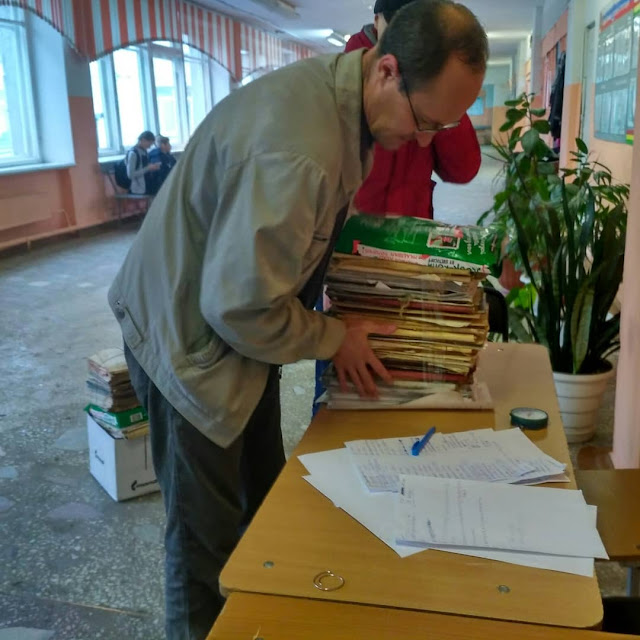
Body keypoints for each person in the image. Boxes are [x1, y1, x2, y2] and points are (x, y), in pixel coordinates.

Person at [108, 2, 487, 637]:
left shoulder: (349, 101)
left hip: (238, 334)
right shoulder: (300, 151)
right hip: (188, 343)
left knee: (262, 507)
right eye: (425, 122)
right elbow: (238, 306)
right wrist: (334, 337)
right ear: (387, 70)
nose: (425, 142)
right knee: (204, 547)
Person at [347, 0, 482, 219]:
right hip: (353, 232)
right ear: (377, 21)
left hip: (411, 228)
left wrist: (443, 103)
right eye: (399, 26)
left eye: (421, 31)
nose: (409, 41)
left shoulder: (434, 77)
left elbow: (463, 168)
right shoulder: (343, 88)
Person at [126, 130, 160, 195]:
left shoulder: (144, 151)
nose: (149, 147)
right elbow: (130, 175)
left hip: (147, 183)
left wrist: (152, 167)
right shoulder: (133, 154)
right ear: (143, 140)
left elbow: (144, 168)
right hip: (139, 187)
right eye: (149, 144)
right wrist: (148, 168)